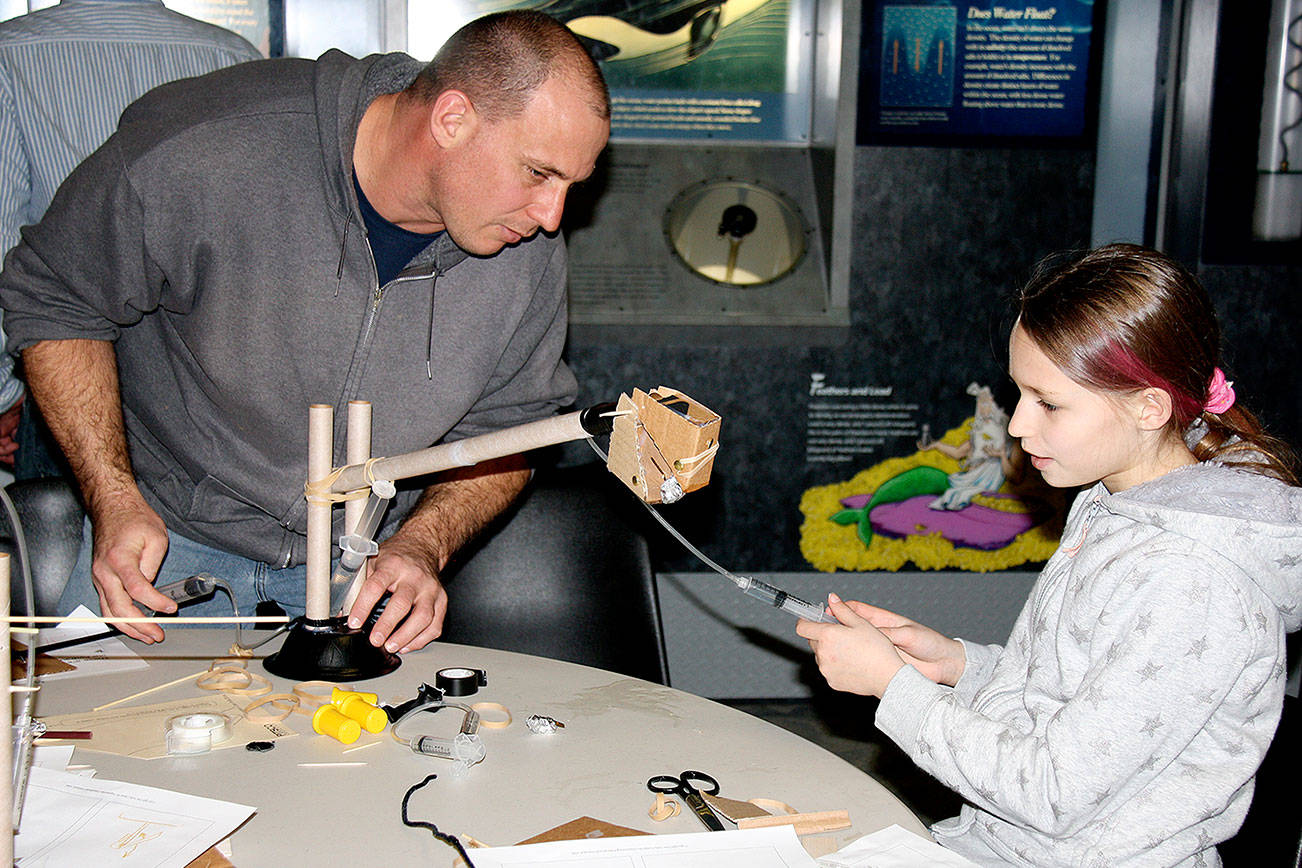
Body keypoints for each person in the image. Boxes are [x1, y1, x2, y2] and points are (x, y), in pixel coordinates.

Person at [0, 10, 610, 655]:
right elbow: (55, 299)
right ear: (451, 119)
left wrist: (421, 545)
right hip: (164, 555)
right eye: (539, 173)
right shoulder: (207, 148)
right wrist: (115, 500)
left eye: (574, 184)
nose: (552, 217)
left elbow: (509, 428)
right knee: (98, 752)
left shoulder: (526, 240)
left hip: (359, 577)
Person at [798, 243, 1302, 866]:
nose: (1016, 427)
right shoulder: (1112, 497)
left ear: (1149, 407)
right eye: (1019, 394)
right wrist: (958, 665)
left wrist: (893, 688)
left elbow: (1054, 791)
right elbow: (1078, 696)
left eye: (1050, 403)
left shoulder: (1192, 582)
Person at [0, 0, 262, 476]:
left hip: (69, 369)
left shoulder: (11, 55)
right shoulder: (232, 56)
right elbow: (259, 246)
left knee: (68, 544)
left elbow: (5, 248)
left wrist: (5, 393)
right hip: (206, 391)